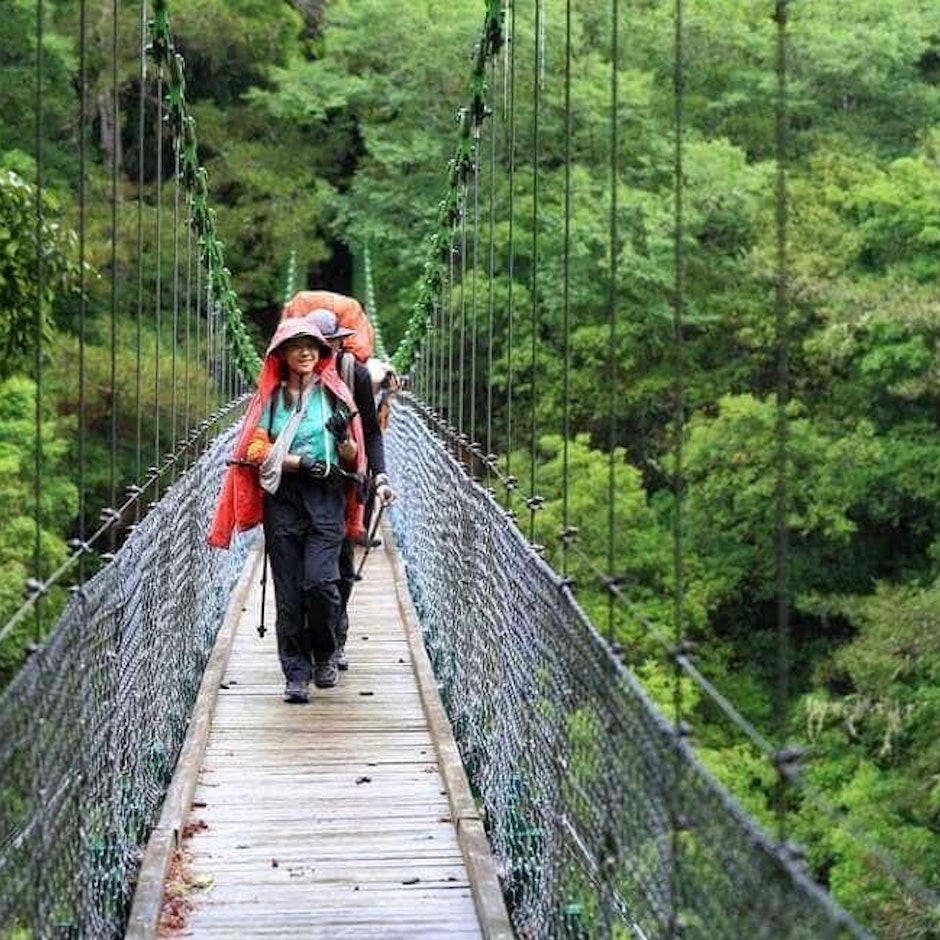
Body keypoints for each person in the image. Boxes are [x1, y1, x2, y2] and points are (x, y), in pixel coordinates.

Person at [208, 315, 367, 704]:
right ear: (281, 355)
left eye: (311, 346)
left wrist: (343, 439)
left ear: (321, 352)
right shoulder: (271, 400)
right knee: (289, 592)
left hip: (327, 496)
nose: (305, 353)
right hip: (284, 498)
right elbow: (253, 449)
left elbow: (352, 458)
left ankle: (325, 653)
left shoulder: (335, 395)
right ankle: (296, 673)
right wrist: (297, 462)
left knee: (321, 584)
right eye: (296, 347)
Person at [306, 308, 396, 672]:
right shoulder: (291, 373)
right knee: (306, 572)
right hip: (300, 484)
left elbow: (371, 431)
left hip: (345, 483)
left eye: (331, 344)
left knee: (340, 566)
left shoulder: (353, 373)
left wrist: (381, 476)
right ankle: (315, 644)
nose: (324, 351)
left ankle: (335, 638)